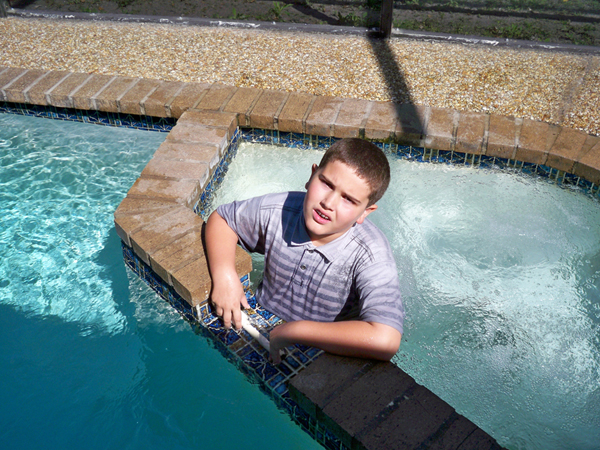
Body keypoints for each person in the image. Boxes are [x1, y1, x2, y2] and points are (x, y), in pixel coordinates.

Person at [205, 138, 404, 364]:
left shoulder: (370, 255)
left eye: (348, 199)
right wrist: (225, 276)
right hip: (259, 316)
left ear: (365, 212)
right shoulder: (280, 210)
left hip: (321, 348)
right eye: (327, 184)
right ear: (312, 176)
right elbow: (222, 219)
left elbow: (386, 340)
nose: (328, 202)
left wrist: (295, 331)